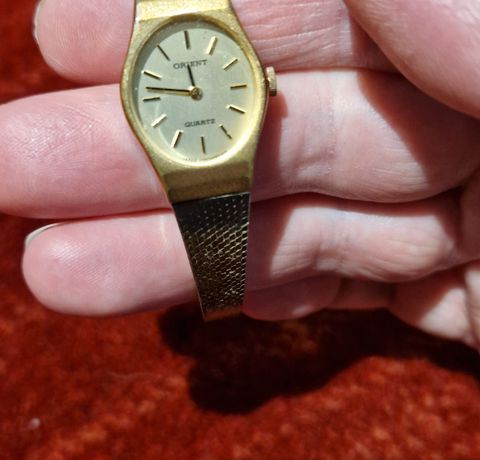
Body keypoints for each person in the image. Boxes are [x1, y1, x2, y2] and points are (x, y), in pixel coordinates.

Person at [1, 0, 479, 349]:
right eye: (186, 88)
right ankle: (222, 295)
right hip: (190, 149)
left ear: (262, 80)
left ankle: (223, 296)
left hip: (221, 143)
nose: (195, 91)